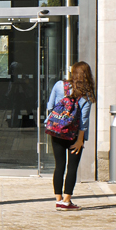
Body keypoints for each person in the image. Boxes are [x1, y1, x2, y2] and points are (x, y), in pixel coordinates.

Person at [45, 62, 95, 211]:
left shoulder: (60, 85)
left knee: (59, 165)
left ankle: (58, 200)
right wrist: (80, 140)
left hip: (57, 131)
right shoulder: (86, 94)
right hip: (74, 135)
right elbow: (83, 121)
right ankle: (67, 201)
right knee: (72, 167)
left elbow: (50, 106)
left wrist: (57, 120)